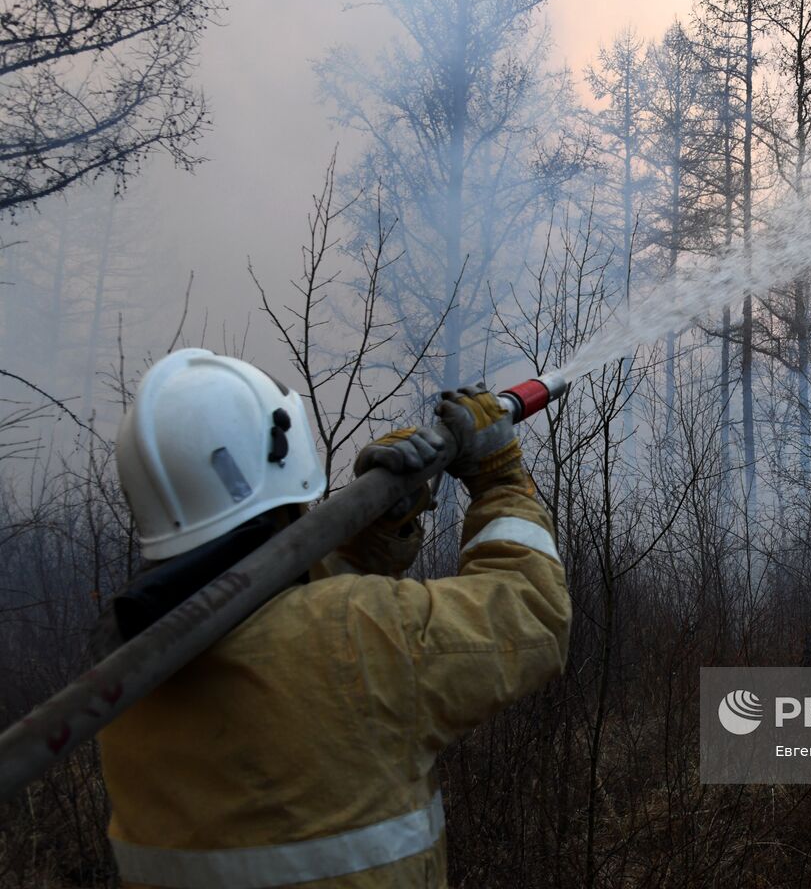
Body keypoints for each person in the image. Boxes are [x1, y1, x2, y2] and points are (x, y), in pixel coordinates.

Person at [95, 348, 570, 888]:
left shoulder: (124, 676)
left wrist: (373, 531)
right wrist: (501, 479)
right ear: (285, 451)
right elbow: (531, 613)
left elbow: (282, 624)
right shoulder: (357, 630)